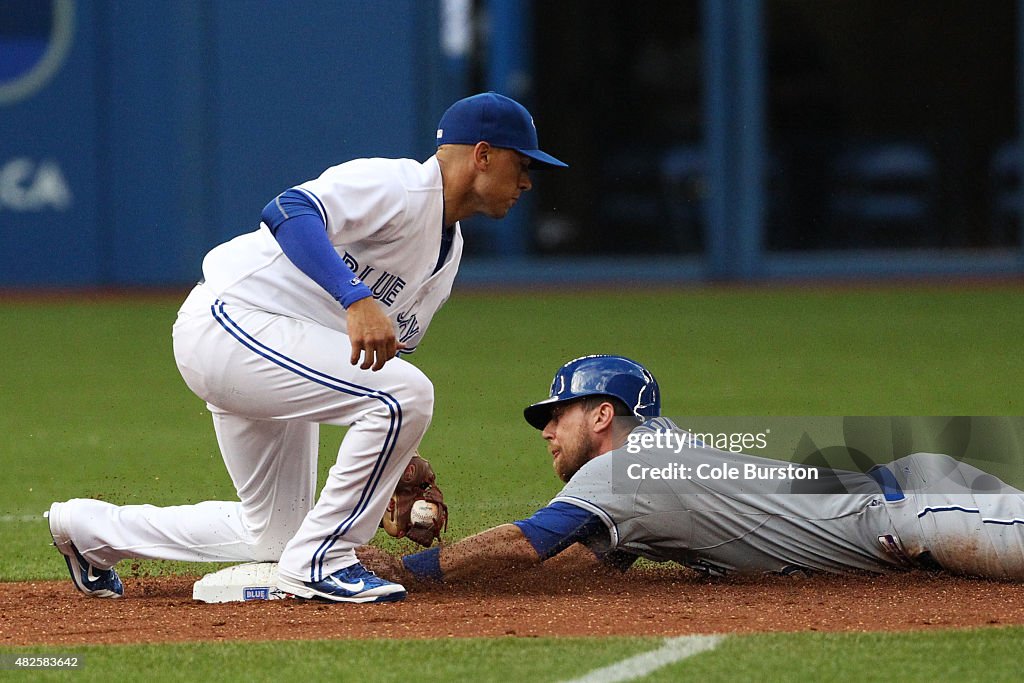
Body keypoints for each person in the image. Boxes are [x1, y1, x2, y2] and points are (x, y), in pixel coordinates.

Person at [45, 92, 568, 603]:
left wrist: (394, 465)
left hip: (282, 353)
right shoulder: (400, 186)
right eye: (521, 164)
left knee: (274, 533)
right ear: (482, 154)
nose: (525, 181)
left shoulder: (446, 255)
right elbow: (289, 209)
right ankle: (323, 560)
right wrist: (354, 296)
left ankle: (90, 531)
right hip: (233, 323)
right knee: (406, 398)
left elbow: (379, 361)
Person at [383, 354, 1024, 585]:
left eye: (560, 413)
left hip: (912, 508)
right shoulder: (657, 456)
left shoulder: (621, 471)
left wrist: (409, 572)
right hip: (906, 495)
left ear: (604, 414)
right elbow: (580, 557)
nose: (548, 430)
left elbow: (528, 546)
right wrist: (452, 559)